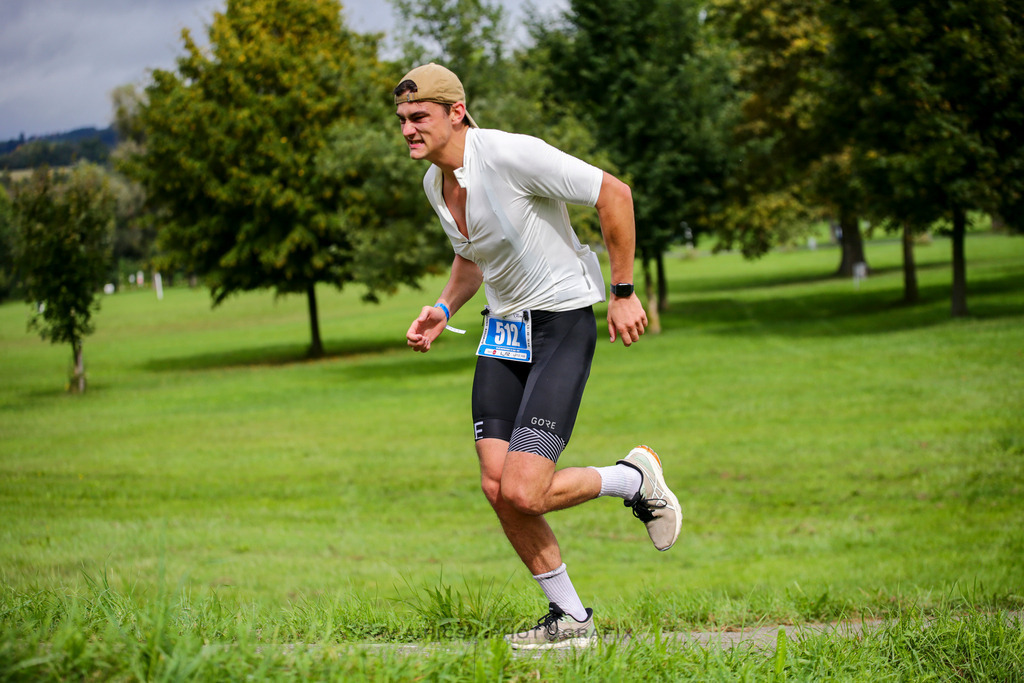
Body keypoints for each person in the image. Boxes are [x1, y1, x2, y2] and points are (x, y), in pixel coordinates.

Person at [395, 63, 682, 650]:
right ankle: (571, 620)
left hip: (559, 322)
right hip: (504, 331)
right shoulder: (435, 184)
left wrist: (623, 292)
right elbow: (474, 258)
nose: (406, 129)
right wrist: (444, 309)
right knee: (497, 486)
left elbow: (613, 194)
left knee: (525, 490)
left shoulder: (509, 155)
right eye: (401, 119)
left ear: (456, 112)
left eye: (418, 116)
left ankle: (631, 479)